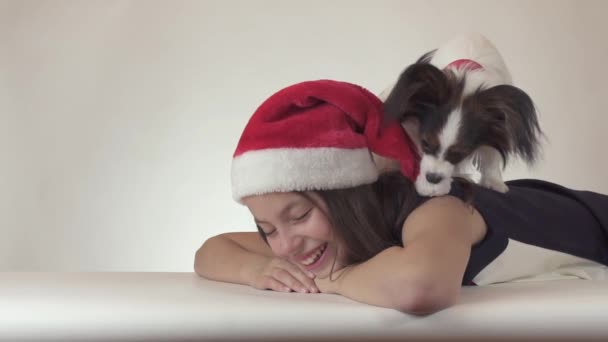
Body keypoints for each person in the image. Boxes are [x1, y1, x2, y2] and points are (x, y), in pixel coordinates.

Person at [194, 79, 608, 315]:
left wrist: (333, 279)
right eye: (266, 229)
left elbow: (422, 288)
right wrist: (257, 271)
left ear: (349, 197)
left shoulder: (438, 207)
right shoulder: (312, 240)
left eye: (299, 216)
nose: (283, 246)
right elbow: (211, 251)